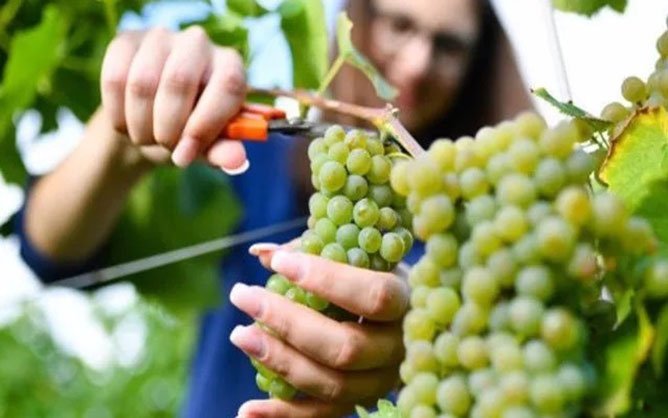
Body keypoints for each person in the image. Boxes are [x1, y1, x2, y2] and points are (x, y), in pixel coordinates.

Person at [15, 0, 530, 417]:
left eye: (448, 45)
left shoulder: (486, 225)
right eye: (400, 24)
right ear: (356, 18)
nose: (418, 62)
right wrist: (117, 136)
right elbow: (50, 251)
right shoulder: (254, 164)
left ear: (477, 64)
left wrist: (426, 344)